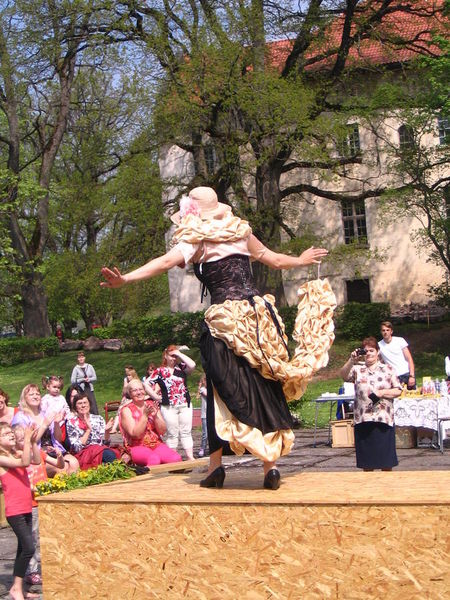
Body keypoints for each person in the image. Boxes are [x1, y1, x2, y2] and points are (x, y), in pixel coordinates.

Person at [101, 186, 334, 489]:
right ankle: (269, 466)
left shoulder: (196, 237)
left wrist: (126, 279)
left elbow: (164, 262)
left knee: (220, 389)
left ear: (193, 213)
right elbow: (273, 259)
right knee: (262, 383)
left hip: (225, 320)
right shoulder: (239, 231)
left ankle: (216, 467)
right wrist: (300, 260)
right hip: (257, 317)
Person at [12, 424, 65, 587]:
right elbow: (20, 481)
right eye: (22, 439)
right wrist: (34, 488)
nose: (26, 441)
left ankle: (50, 565)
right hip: (31, 503)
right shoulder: (17, 459)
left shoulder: (38, 453)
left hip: (44, 500)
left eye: (27, 438)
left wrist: (60, 457)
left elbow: (59, 465)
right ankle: (32, 571)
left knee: (48, 534)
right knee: (32, 538)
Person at [340, 337, 402, 471]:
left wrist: (382, 392)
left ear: (378, 352)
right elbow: (343, 375)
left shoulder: (388, 369)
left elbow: (398, 390)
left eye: (372, 350)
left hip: (383, 419)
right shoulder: (357, 369)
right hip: (363, 420)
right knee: (367, 465)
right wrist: (351, 360)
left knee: (386, 463)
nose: (368, 353)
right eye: (366, 351)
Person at [0, 422, 41, 600]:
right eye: (5, 434)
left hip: (26, 507)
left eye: (10, 432)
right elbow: (25, 463)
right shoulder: (1, 459)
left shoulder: (16, 453)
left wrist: (32, 442)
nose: (10, 434)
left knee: (22, 549)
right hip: (15, 511)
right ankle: (16, 588)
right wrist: (26, 438)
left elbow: (36, 461)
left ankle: (18, 588)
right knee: (29, 548)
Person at [11, 384, 79, 476]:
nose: (35, 396)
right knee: (62, 467)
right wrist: (44, 425)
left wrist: (56, 424)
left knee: (74, 463)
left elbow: (58, 439)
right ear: (24, 398)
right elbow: (26, 442)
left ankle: (72, 485)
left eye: (37, 394)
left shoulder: (44, 414)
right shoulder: (21, 417)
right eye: (31, 394)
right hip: (36, 454)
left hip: (54, 450)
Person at [118, 379, 182, 466]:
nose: (139, 392)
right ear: (130, 394)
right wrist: (144, 416)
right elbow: (136, 435)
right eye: (135, 390)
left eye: (141, 389)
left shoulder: (151, 405)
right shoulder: (126, 410)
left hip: (156, 444)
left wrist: (155, 417)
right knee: (154, 459)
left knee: (176, 459)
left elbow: (162, 431)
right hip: (136, 446)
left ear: (145, 391)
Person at [150, 345, 196, 460]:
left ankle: (190, 456)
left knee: (186, 431)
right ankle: (172, 458)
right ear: (165, 356)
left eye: (175, 356)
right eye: (171, 356)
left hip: (184, 404)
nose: (174, 358)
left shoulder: (181, 367)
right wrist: (155, 396)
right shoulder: (160, 371)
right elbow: (146, 384)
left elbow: (192, 365)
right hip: (168, 406)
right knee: (172, 433)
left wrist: (179, 353)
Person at [66, 395, 119, 470]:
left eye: (85, 403)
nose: (83, 405)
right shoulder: (72, 422)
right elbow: (77, 448)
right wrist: (88, 430)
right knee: (108, 455)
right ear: (75, 407)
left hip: (100, 450)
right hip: (84, 453)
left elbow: (105, 443)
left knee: (112, 455)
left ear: (89, 404)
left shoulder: (98, 419)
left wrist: (106, 431)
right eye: (80, 403)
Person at [379, 321, 416, 390]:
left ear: (391, 331)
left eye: (387, 330)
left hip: (406, 374)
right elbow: (379, 361)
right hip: (393, 377)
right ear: (381, 332)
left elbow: (409, 359)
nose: (385, 332)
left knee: (412, 396)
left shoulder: (400, 340)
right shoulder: (379, 345)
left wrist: (412, 376)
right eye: (383, 330)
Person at [197, 374, 208, 458]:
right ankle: (202, 448)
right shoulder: (202, 389)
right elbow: (208, 395)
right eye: (205, 380)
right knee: (205, 434)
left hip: (213, 415)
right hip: (205, 415)